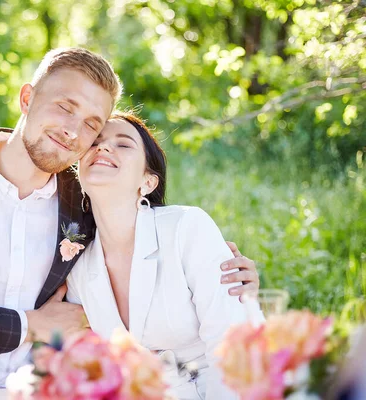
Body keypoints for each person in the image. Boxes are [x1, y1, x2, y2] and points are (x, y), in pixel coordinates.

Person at [0, 48, 259, 392]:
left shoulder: (84, 202)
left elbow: (147, 241)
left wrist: (228, 279)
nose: (74, 132)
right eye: (65, 106)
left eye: (92, 123)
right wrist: (30, 326)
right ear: (27, 98)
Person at [66, 112, 249, 399]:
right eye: (95, 142)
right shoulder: (78, 265)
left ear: (148, 182)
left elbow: (232, 346)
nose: (102, 147)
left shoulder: (187, 228)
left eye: (123, 144)